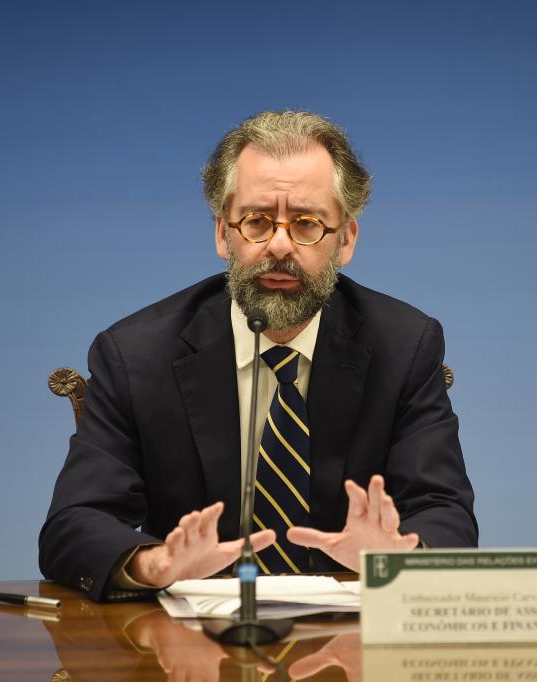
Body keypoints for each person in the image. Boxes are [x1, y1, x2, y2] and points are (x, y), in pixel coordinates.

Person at [39, 110, 477, 602]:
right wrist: (155, 562)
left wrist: (398, 558)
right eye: (257, 222)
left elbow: (446, 512)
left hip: (348, 649)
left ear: (346, 240)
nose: (279, 245)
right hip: (193, 654)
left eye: (307, 223)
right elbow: (73, 524)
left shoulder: (404, 345)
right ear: (223, 234)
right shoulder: (137, 355)